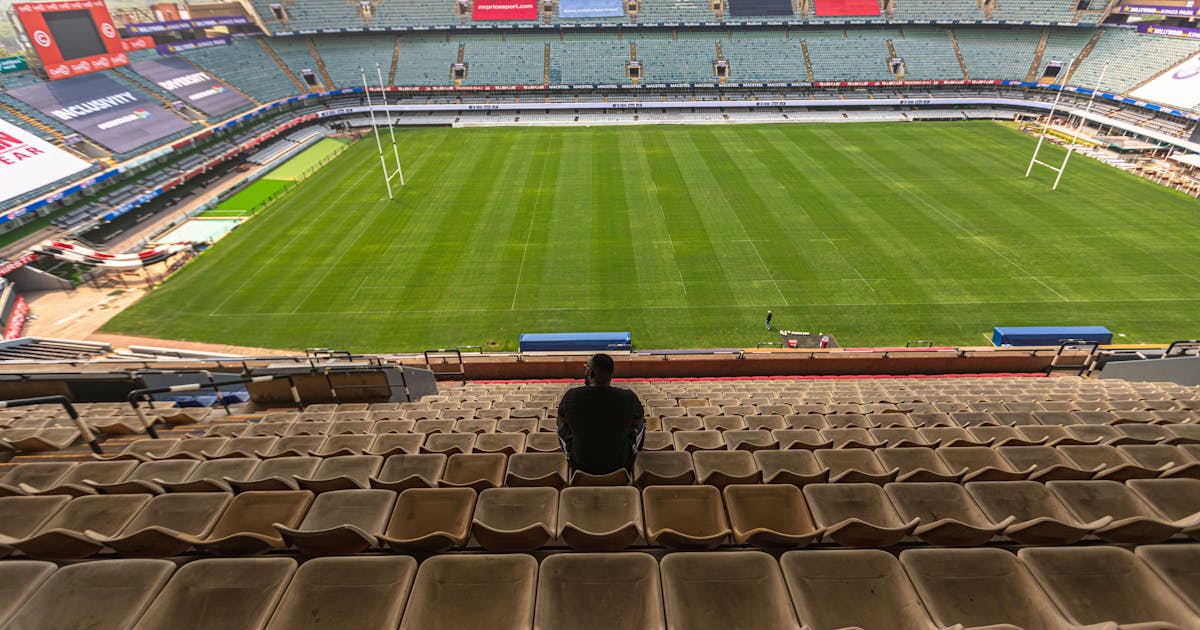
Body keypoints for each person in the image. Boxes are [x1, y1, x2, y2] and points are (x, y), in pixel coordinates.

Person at [556, 353, 645, 475]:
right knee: (641, 421)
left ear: (591, 373)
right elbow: (637, 421)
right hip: (620, 464)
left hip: (580, 465)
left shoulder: (572, 396)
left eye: (587, 367)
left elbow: (563, 419)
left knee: (560, 420)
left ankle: (570, 453)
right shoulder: (628, 397)